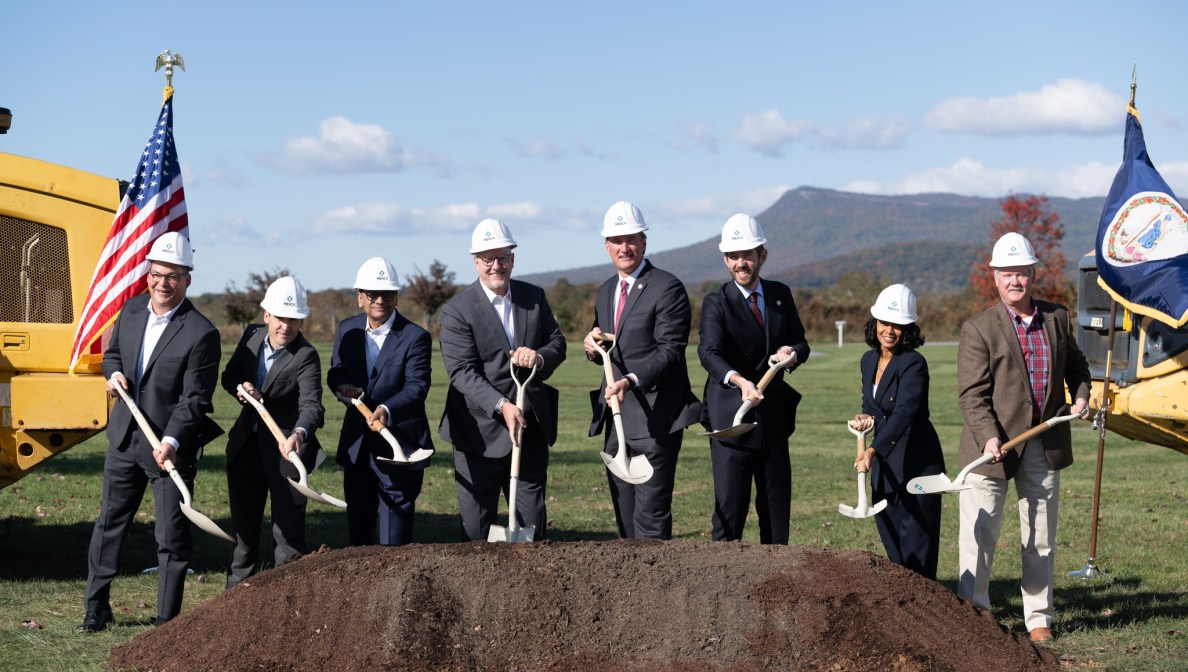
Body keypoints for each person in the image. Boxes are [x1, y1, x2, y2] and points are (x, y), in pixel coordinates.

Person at [80, 231, 223, 631]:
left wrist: (172, 440)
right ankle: (96, 609)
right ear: (148, 274)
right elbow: (111, 357)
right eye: (157, 273)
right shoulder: (131, 310)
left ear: (188, 279)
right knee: (109, 525)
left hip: (168, 449)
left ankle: (167, 621)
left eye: (173, 275)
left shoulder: (202, 332)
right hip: (125, 439)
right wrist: (115, 374)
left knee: (171, 538)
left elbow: (195, 399)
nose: (163, 282)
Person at [957, 232, 1091, 643]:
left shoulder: (1057, 318)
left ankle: (1038, 619)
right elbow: (971, 395)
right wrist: (989, 439)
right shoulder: (978, 328)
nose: (1015, 280)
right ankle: (976, 616)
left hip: (1044, 442)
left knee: (1040, 536)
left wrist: (1082, 396)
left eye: (1022, 272)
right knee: (980, 537)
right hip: (992, 450)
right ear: (995, 277)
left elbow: (1078, 366)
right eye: (1007, 273)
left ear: (1033, 274)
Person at [439, 219, 567, 541]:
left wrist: (538, 357)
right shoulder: (458, 310)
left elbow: (557, 343)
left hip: (528, 428)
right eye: (488, 259)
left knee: (531, 532)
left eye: (503, 257)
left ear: (513, 257)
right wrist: (502, 405)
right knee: (476, 535)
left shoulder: (533, 297)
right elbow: (461, 372)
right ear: (475, 261)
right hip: (476, 434)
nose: (496, 266)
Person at [583, 201, 701, 540]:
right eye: (617, 241)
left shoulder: (667, 287)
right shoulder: (606, 290)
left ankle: (656, 590)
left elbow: (671, 351)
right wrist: (591, 348)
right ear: (606, 246)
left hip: (656, 419)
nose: (625, 247)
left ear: (644, 242)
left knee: (650, 521)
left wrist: (631, 379)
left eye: (632, 239)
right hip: (616, 418)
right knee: (624, 520)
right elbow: (606, 341)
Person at [697, 214, 808, 544]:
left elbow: (800, 342)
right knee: (730, 514)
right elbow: (709, 352)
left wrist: (792, 353)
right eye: (734, 256)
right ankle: (723, 586)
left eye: (747, 254)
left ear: (763, 256)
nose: (741, 263)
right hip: (733, 420)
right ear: (725, 260)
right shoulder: (716, 302)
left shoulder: (779, 295)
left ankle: (776, 587)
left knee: (775, 515)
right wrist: (740, 381)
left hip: (773, 418)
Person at [221, 276, 324, 589]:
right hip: (245, 448)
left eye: (294, 320)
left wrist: (300, 434)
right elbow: (230, 375)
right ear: (266, 315)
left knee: (288, 537)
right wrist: (241, 389)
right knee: (244, 533)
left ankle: (286, 597)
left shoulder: (305, 355)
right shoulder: (251, 336)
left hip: (286, 453)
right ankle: (236, 596)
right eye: (280, 318)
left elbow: (312, 406)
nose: (286, 326)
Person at [327, 257, 434, 546]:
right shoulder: (346, 330)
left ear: (396, 296)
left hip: (398, 444)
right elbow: (336, 371)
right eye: (372, 294)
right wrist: (341, 386)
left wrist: (386, 409)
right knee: (358, 536)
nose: (379, 300)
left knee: (393, 543)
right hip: (357, 447)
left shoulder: (415, 337)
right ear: (359, 297)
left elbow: (417, 386)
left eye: (386, 293)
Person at [848, 284, 945, 578]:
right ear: (875, 322)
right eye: (885, 322)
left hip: (917, 461)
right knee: (892, 539)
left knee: (917, 544)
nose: (889, 330)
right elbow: (872, 405)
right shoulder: (868, 360)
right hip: (886, 464)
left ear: (909, 328)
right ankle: (905, 610)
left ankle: (927, 611)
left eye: (899, 325)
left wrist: (874, 450)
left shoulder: (914, 363)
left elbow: (904, 412)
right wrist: (864, 418)